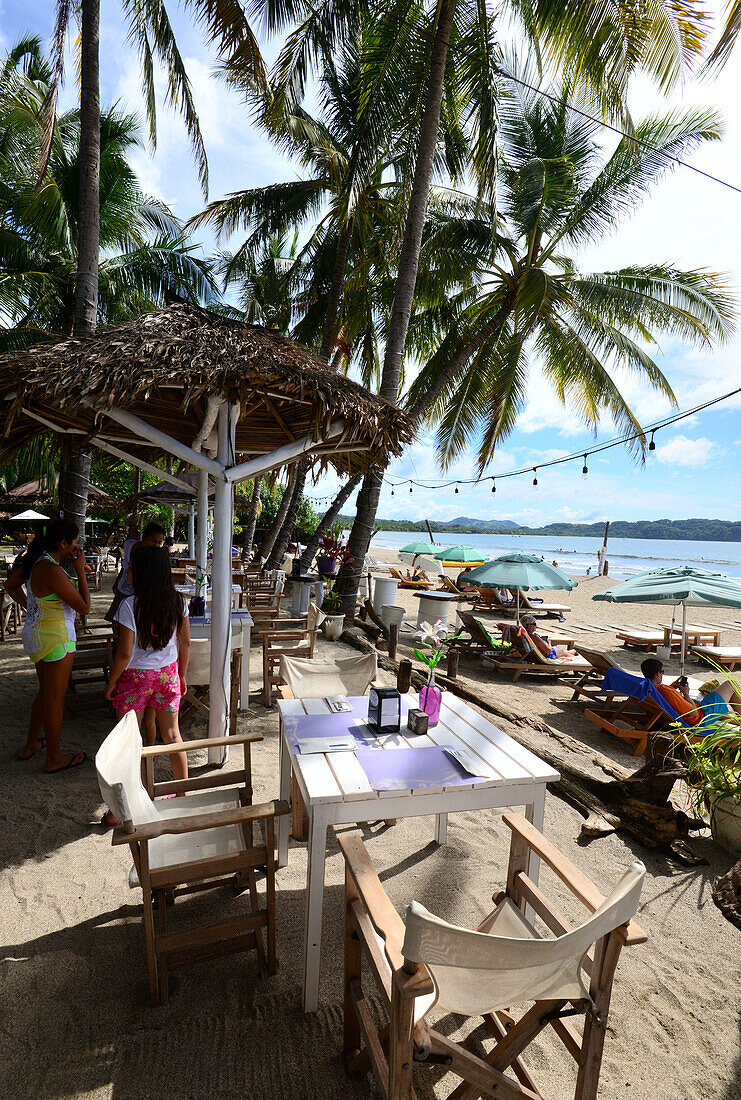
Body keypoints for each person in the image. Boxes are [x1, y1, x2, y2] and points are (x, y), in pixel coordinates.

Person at [104, 545, 191, 825]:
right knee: (173, 735)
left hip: (136, 678)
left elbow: (125, 653)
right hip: (167, 674)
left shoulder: (129, 606)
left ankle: (124, 807)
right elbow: (185, 642)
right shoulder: (179, 602)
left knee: (128, 741)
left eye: (130, 567)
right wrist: (182, 674)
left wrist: (112, 681)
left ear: (143, 573)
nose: (126, 571)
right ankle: (182, 796)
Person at [6, 519, 90, 771]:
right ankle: (54, 758)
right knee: (54, 698)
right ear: (63, 543)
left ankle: (31, 745)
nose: (77, 547)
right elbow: (84, 606)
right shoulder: (52, 570)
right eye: (75, 543)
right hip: (56, 639)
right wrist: (81, 570)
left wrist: (31, 607)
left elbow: (9, 585)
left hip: (36, 635)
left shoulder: (35, 561)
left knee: (45, 693)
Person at [105, 521, 166, 622]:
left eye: (159, 543)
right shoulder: (129, 545)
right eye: (153, 541)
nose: (155, 545)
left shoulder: (155, 557)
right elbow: (125, 566)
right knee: (116, 620)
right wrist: (118, 580)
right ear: (144, 537)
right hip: (123, 589)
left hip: (142, 594)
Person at [640, 657, 702, 726]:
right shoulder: (666, 691)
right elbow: (694, 712)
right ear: (658, 674)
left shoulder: (645, 688)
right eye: (662, 672)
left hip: (662, 716)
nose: (662, 675)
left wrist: (671, 687)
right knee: (715, 692)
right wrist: (686, 693)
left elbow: (660, 695)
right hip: (698, 717)